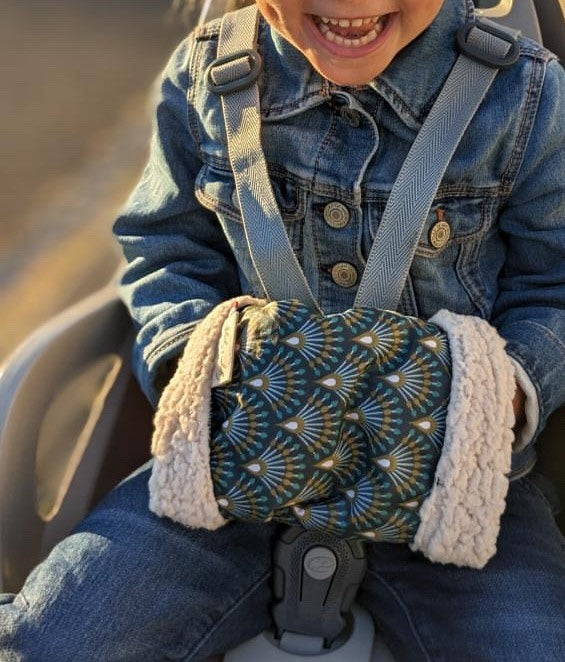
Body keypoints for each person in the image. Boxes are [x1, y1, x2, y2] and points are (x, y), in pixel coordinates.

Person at [1, 0, 564, 659]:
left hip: (456, 486)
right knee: (56, 640)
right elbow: (167, 248)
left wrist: (507, 393)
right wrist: (191, 367)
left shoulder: (525, 99)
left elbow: (553, 280)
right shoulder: (208, 79)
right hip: (230, 472)